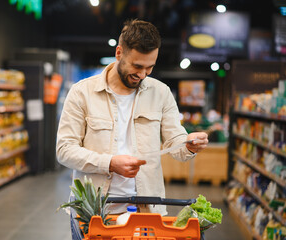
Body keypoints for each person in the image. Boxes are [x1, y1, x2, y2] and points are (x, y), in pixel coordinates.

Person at [56, 19, 208, 215]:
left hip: (145, 210)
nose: (143, 74)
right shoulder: (82, 92)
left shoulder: (161, 93)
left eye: (150, 67)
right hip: (94, 210)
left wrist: (188, 143)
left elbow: (175, 141)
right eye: (137, 66)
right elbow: (64, 150)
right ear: (119, 53)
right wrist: (110, 163)